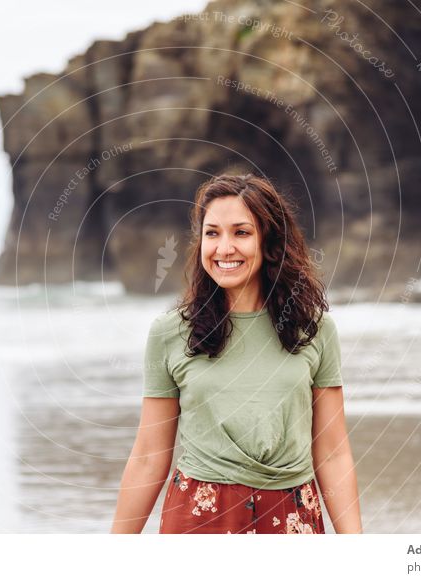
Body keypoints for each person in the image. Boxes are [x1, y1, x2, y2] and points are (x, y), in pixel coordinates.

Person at [110, 173, 362, 534]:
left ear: (270, 241)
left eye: (241, 232)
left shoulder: (314, 330)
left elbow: (334, 454)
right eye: (212, 233)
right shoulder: (171, 333)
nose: (224, 248)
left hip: (292, 517)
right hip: (198, 520)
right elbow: (150, 456)